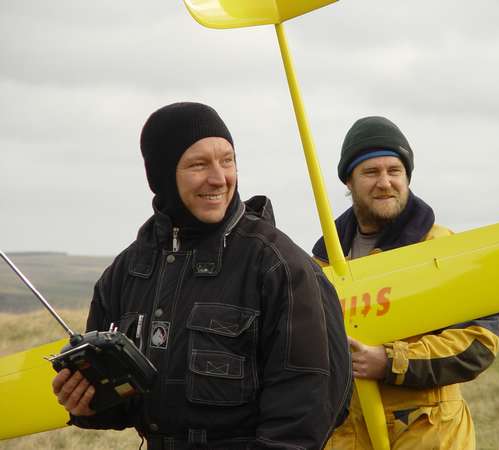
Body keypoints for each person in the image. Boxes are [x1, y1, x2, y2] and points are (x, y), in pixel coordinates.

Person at [52, 102, 352, 450]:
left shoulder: (279, 266)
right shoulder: (127, 271)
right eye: (198, 164)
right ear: (162, 175)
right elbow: (124, 404)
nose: (219, 178)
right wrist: (88, 403)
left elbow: (308, 412)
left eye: (227, 160)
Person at [312, 116, 499, 450]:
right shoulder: (320, 264)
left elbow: (478, 343)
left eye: (394, 171)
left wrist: (389, 362)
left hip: (430, 434)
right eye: (370, 172)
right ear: (349, 183)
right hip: (347, 437)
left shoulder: (444, 249)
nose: (384, 182)